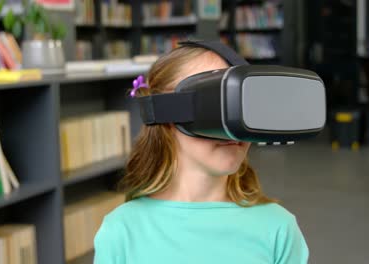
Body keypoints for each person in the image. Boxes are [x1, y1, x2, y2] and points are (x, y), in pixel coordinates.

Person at [93, 44, 309, 264]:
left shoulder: (279, 230)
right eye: (214, 102)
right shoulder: (121, 232)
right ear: (164, 112)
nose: (231, 128)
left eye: (241, 104)